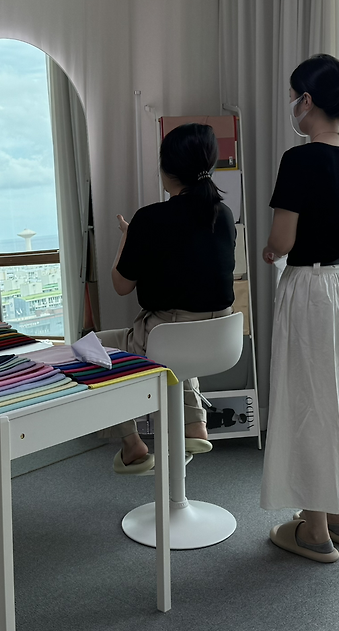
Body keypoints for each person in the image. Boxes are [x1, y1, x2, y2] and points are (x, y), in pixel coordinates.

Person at [260, 54, 339, 563]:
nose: (292, 105)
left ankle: (313, 532)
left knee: (307, 398)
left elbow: (281, 242)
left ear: (306, 100)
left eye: (294, 97)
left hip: (310, 287)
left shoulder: (300, 160)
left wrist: (269, 250)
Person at [98, 123, 237, 474]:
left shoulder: (149, 219)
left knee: (93, 349)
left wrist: (128, 237)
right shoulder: (223, 215)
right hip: (221, 338)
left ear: (166, 168)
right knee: (179, 344)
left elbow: (120, 285)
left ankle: (132, 444)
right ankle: (195, 424)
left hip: (168, 337)